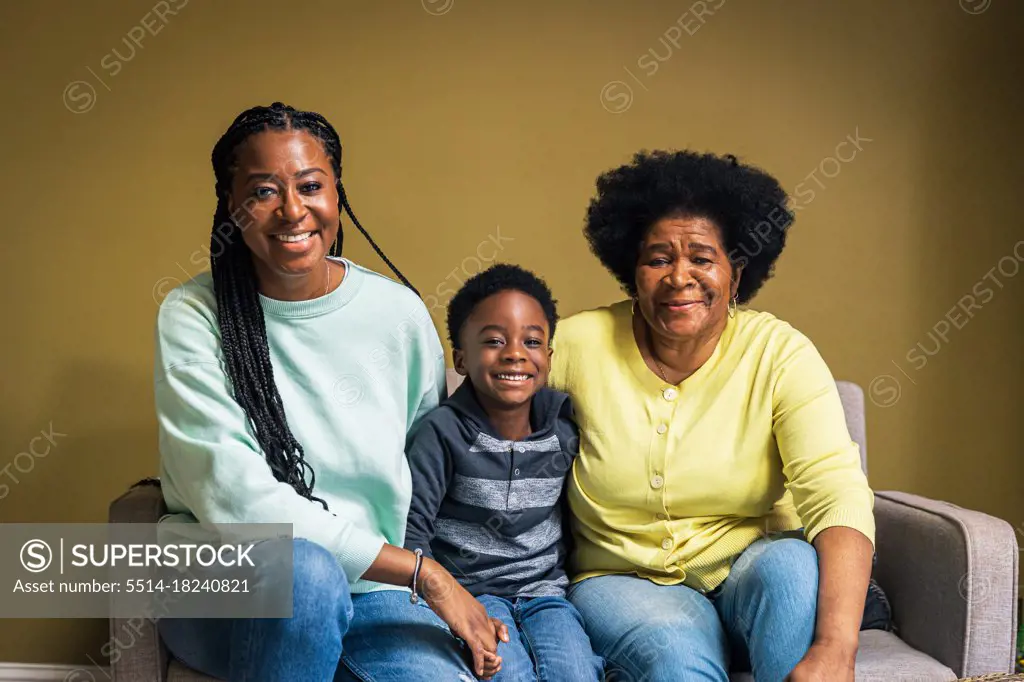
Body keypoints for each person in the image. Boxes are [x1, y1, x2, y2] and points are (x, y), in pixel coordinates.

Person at [154, 102, 503, 682]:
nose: (293, 211)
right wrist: (426, 575)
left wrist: (448, 575)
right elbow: (237, 503)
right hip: (228, 585)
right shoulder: (192, 315)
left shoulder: (397, 313)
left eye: (310, 186)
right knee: (307, 574)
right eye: (263, 192)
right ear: (231, 205)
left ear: (337, 193)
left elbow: (430, 466)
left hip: (372, 591)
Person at [548, 151, 876, 682]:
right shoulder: (575, 344)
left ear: (736, 272)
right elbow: (480, 422)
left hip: (748, 568)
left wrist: (836, 649)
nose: (680, 277)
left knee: (792, 567)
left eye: (702, 258)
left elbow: (835, 490)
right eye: (658, 259)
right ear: (632, 272)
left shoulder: (779, 352)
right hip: (622, 579)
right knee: (677, 655)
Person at [404, 264, 603, 682]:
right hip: (473, 596)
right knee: (506, 674)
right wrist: (441, 602)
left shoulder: (564, 430)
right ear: (461, 357)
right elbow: (413, 531)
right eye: (494, 341)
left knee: (576, 672)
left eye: (532, 341)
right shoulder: (444, 432)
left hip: (546, 594)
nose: (514, 352)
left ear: (548, 357)